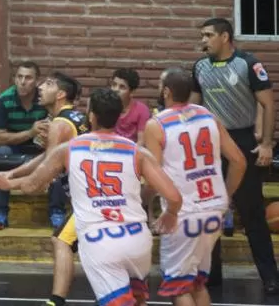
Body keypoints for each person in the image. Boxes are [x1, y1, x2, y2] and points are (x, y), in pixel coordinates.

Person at [0, 88, 184, 306]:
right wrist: (171, 214)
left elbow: (33, 185)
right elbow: (174, 196)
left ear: (92, 116)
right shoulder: (137, 151)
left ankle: (57, 299)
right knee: (137, 300)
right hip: (137, 238)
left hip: (99, 241)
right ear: (118, 117)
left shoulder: (68, 149)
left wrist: (9, 183)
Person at [143, 67, 247, 306]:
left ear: (166, 92)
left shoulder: (156, 124)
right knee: (197, 283)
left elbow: (153, 177)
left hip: (182, 212)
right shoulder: (208, 115)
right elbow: (239, 161)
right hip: (214, 209)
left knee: (178, 288)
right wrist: (226, 196)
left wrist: (143, 200)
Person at [191, 17, 278, 293]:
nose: (203, 41)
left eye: (208, 35)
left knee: (252, 212)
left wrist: (267, 144)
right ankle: (212, 274)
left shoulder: (248, 64)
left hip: (242, 140)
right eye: (202, 36)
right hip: (210, 144)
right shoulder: (199, 66)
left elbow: (268, 103)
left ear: (225, 37)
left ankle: (270, 277)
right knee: (211, 210)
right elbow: (192, 108)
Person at [0, 72, 88, 306]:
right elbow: (47, 157)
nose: (41, 87)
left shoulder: (59, 125)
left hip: (89, 200)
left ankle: (56, 300)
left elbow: (43, 176)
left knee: (61, 241)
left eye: (49, 84)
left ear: (61, 94)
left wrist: (10, 184)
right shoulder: (75, 117)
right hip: (92, 197)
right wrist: (12, 173)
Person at [0, 61, 53, 229]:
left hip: (40, 145)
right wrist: (30, 132)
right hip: (13, 145)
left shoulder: (44, 99)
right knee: (2, 152)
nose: (23, 82)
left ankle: (56, 213)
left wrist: (47, 137)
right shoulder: (4, 99)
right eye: (19, 77)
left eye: (28, 78)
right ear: (15, 79)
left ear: (37, 81)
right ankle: (0, 213)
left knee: (57, 154)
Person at [111, 68, 150, 143]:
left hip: (133, 149)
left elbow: (141, 142)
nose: (116, 90)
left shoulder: (142, 110)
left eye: (122, 87)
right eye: (114, 85)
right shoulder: (106, 107)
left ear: (132, 92)